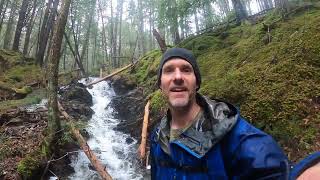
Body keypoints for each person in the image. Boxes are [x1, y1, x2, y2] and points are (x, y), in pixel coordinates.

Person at [150, 47, 289, 179]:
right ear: (160, 85)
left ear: (197, 83)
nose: (178, 77)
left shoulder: (232, 136)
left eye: (186, 70)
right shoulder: (158, 136)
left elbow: (270, 168)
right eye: (169, 70)